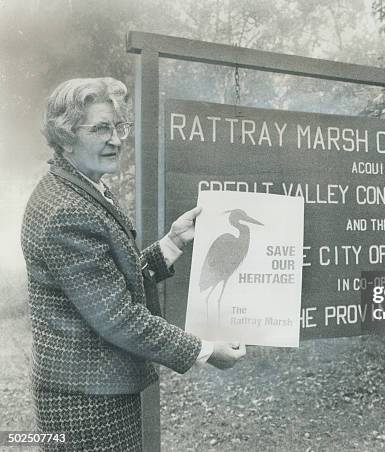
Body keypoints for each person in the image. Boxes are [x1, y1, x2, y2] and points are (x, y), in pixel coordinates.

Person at [20, 77, 245, 451]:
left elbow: (109, 281)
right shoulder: (66, 210)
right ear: (65, 135)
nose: (116, 139)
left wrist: (171, 244)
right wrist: (205, 350)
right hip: (87, 407)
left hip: (95, 391)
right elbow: (119, 317)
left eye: (118, 126)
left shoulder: (81, 186)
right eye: (101, 128)